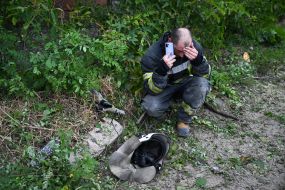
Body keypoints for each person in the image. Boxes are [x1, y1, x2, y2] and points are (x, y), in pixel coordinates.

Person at [141, 27, 211, 137]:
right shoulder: (152, 56)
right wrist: (161, 70)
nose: (183, 55)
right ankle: (170, 105)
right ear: (170, 40)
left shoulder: (195, 48)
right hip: (164, 89)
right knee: (150, 106)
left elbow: (204, 76)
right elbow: (151, 89)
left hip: (185, 82)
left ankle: (184, 120)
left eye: (186, 51)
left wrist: (198, 61)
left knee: (202, 85)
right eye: (180, 51)